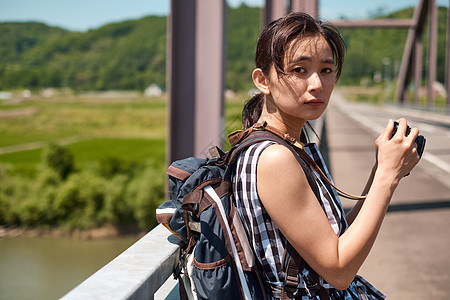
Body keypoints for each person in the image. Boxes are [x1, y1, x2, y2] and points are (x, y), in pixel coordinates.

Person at [232, 12, 420, 299]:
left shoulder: (293, 144)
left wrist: (380, 170)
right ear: (263, 80)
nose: (317, 84)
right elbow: (339, 271)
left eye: (326, 70)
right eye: (299, 70)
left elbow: (337, 241)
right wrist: (387, 177)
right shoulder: (274, 158)